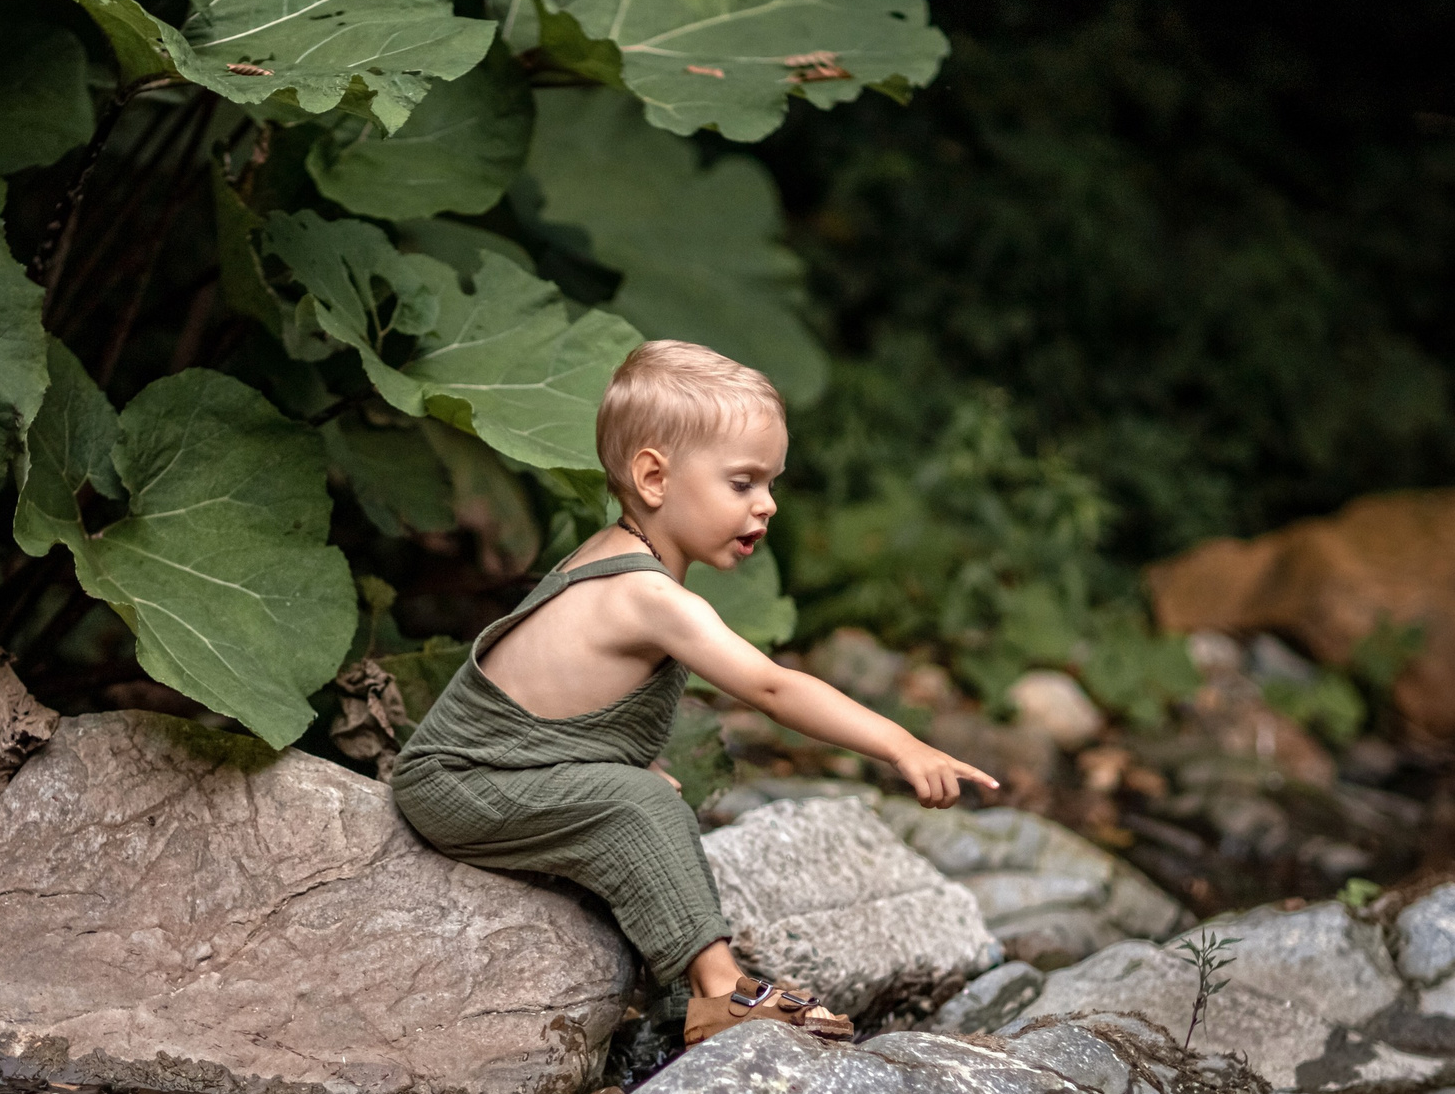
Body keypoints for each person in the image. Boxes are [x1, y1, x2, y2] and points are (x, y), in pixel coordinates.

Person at [392, 340, 1000, 1047]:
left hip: (497, 763)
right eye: (742, 483)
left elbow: (548, 697)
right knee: (642, 805)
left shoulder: (621, 553)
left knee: (648, 791)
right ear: (654, 476)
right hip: (458, 783)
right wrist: (900, 742)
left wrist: (596, 759)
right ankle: (721, 991)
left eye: (771, 483)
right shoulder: (646, 594)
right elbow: (772, 686)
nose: (767, 504)